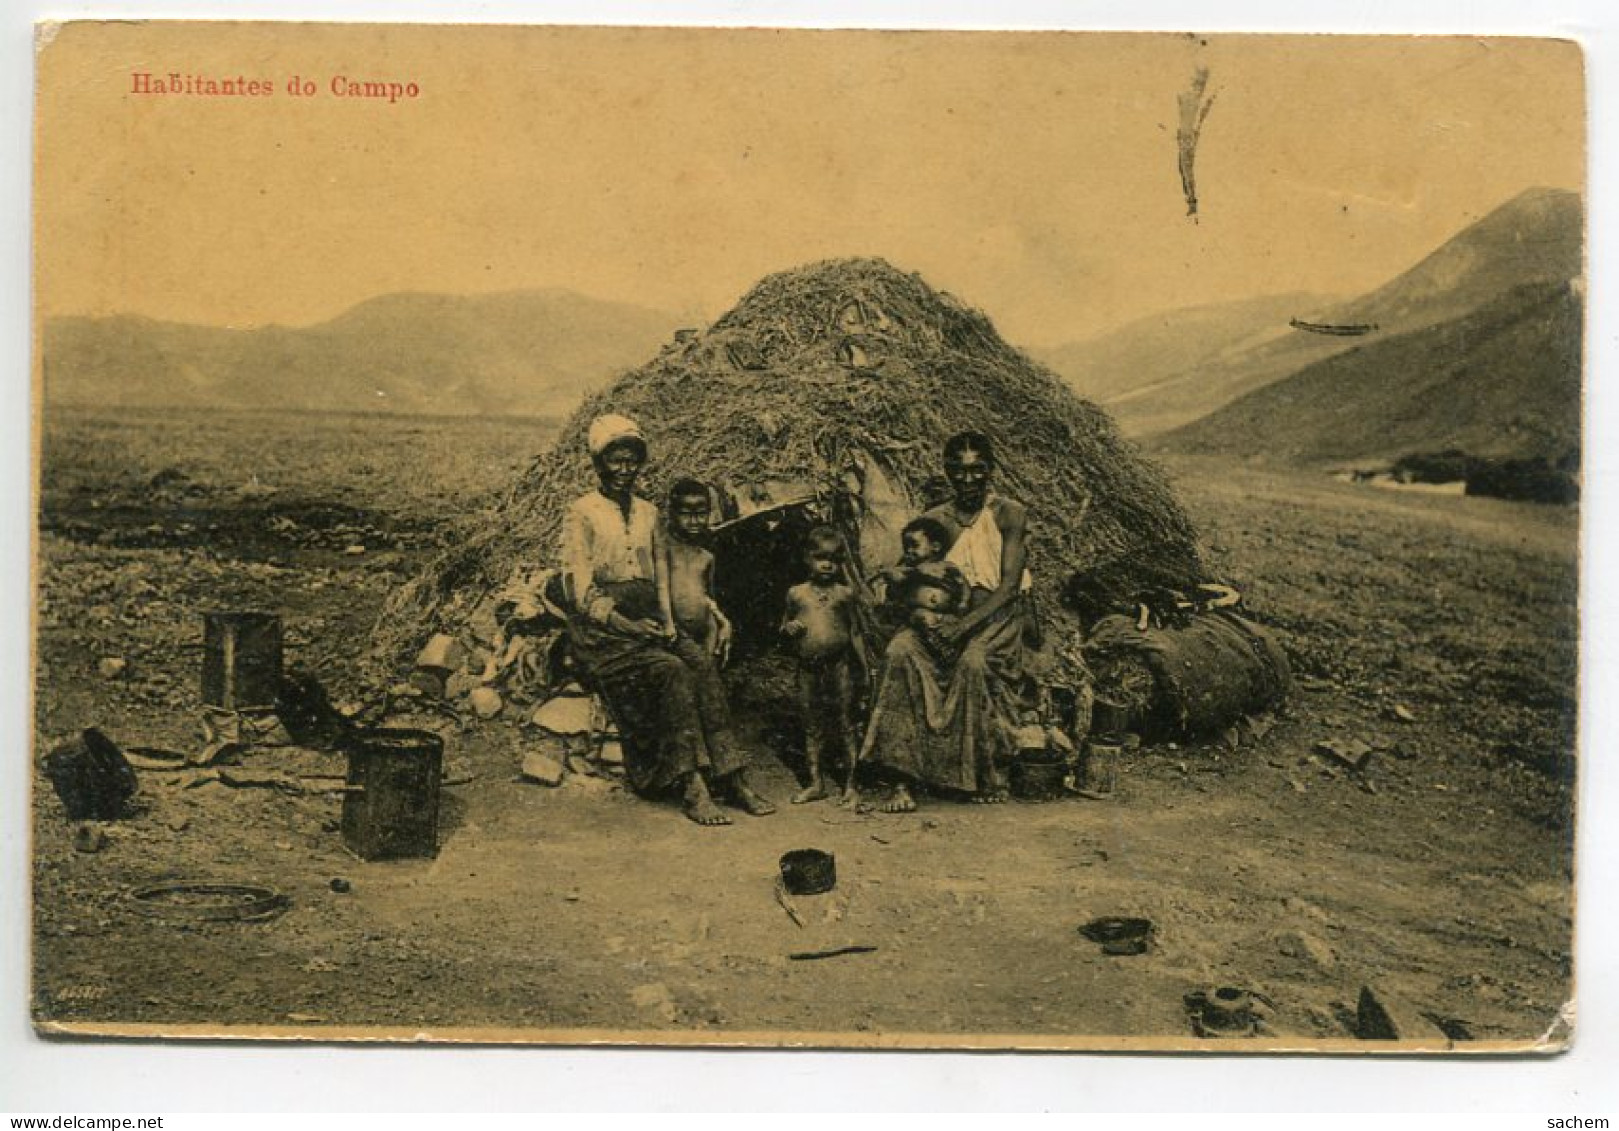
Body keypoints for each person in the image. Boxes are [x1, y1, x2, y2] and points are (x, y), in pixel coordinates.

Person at [558, 414, 774, 826]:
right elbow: (579, 592)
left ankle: (732, 775)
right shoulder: (581, 513)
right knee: (672, 670)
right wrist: (627, 624)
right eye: (615, 461)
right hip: (603, 634)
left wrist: (686, 619)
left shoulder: (648, 513)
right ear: (598, 464)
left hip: (648, 621)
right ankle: (691, 785)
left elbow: (663, 576)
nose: (625, 470)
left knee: (701, 663)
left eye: (632, 461)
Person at [855, 431, 1035, 812]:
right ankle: (902, 778)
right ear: (947, 471)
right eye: (959, 470)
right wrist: (915, 603)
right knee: (900, 651)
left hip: (992, 620)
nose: (968, 479)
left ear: (991, 470)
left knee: (973, 662)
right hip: (942, 620)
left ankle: (979, 775)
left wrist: (964, 625)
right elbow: (909, 576)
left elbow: (1008, 588)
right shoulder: (935, 521)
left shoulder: (1009, 514)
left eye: (977, 470)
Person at [780, 526, 863, 805]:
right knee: (811, 725)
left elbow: (855, 633)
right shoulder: (796, 594)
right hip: (807, 668)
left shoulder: (845, 594)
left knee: (845, 723)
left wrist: (864, 667)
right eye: (820, 557)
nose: (827, 564)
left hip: (839, 667)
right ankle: (816, 783)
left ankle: (851, 785)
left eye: (835, 558)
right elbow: (785, 625)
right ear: (806, 558)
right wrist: (789, 628)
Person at [660, 477, 733, 666]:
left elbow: (708, 596)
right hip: (675, 632)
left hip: (705, 631)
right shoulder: (663, 550)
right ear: (672, 514)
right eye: (686, 514)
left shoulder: (706, 557)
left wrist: (723, 622)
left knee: (708, 674)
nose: (694, 521)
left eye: (701, 514)